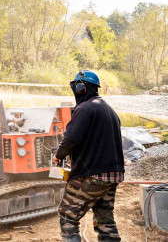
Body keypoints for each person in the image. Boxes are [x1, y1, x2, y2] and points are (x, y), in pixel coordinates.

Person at [55, 70, 124, 242]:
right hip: (112, 175)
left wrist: (59, 155)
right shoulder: (109, 110)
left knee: (67, 216)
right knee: (105, 221)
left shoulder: (85, 109)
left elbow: (71, 138)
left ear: (80, 88)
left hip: (91, 175)